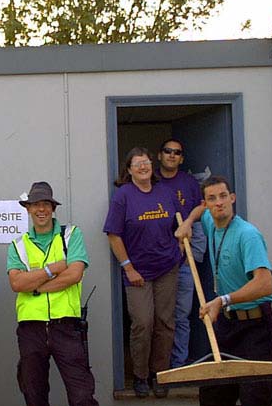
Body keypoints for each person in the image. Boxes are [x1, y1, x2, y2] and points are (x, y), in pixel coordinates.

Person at [179, 175, 272, 406]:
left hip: (255, 325)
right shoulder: (209, 221)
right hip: (227, 324)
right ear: (206, 204)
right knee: (214, 394)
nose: (219, 203)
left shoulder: (247, 235)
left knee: (255, 396)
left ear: (232, 198)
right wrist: (187, 222)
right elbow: (198, 212)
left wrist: (222, 300)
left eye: (223, 196)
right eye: (212, 198)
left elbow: (265, 284)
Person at [7, 181, 99, 406]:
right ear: (28, 209)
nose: (41, 209)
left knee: (82, 396)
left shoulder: (71, 235)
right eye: (35, 204)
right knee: (34, 395)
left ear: (53, 208)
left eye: (46, 204)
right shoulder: (18, 245)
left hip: (66, 326)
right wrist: (52, 269)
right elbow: (17, 283)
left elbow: (74, 274)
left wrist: (35, 286)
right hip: (31, 328)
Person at [103, 147, 183, 398]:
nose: (142, 166)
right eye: (136, 163)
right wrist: (128, 267)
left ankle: (160, 374)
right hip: (137, 272)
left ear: (151, 164)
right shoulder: (123, 196)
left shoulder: (165, 192)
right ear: (129, 170)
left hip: (167, 268)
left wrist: (180, 244)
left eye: (145, 162)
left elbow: (179, 224)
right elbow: (113, 235)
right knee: (143, 323)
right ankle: (140, 375)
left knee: (165, 322)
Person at [156, 138, 206, 368]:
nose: (172, 155)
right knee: (159, 315)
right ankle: (159, 366)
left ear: (181, 158)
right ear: (159, 155)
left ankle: (179, 364)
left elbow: (202, 206)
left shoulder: (188, 182)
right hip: (159, 260)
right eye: (168, 151)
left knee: (181, 314)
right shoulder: (152, 182)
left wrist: (188, 223)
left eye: (177, 152)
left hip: (185, 259)